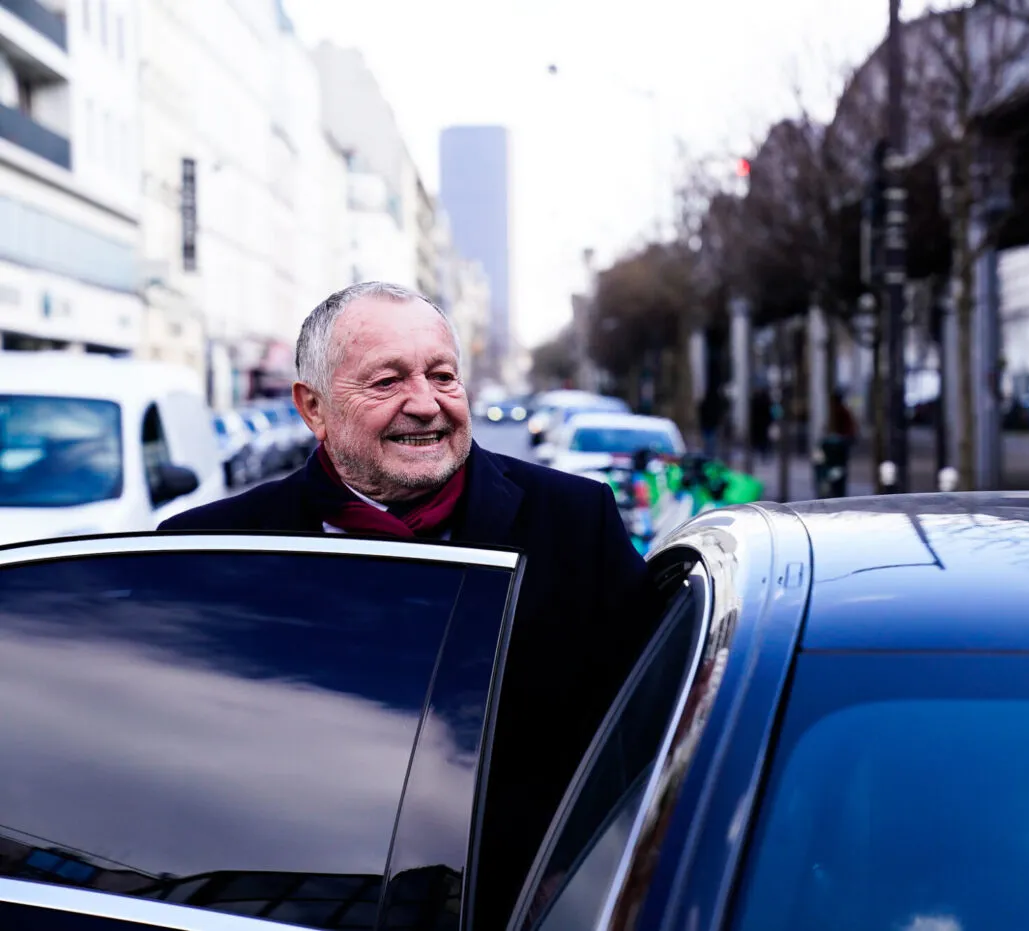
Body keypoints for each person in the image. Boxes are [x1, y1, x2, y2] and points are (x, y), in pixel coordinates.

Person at [160, 281, 659, 928]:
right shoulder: (207, 552)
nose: (425, 404)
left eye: (442, 375)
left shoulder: (574, 522)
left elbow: (645, 736)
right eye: (387, 381)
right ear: (313, 407)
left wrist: (588, 880)